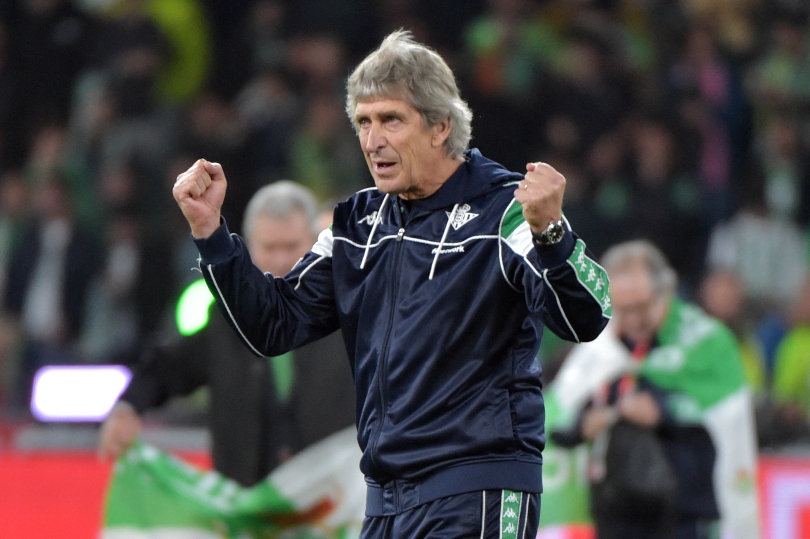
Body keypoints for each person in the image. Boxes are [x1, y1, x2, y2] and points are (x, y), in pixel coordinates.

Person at [172, 30, 611, 538]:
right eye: (363, 121)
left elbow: (587, 316)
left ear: (440, 126)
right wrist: (212, 234)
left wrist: (552, 232)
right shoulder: (357, 225)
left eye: (391, 120)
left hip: (478, 490)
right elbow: (272, 325)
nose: (371, 140)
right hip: (384, 501)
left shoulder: (507, 212)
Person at [98, 180, 355, 487]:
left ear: (316, 244)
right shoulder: (225, 320)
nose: (281, 260)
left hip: (334, 508)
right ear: (248, 247)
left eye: (291, 246)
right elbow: (169, 365)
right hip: (246, 509)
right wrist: (127, 406)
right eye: (269, 248)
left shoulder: (350, 312)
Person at [549, 240, 759, 539]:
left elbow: (724, 410)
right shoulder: (600, 346)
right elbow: (559, 415)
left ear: (666, 291)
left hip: (686, 512)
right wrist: (584, 424)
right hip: (617, 513)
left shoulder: (706, 342)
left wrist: (663, 409)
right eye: (622, 309)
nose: (632, 319)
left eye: (641, 307)